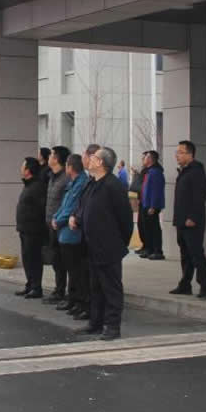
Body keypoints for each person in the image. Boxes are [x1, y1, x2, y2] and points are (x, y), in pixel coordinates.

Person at [70, 146, 132, 340]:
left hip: (109, 247)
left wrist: (119, 244)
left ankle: (112, 326)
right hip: (91, 245)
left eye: (93, 157)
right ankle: (95, 323)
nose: (89, 159)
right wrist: (76, 218)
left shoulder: (113, 186)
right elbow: (84, 207)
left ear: (101, 162)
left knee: (111, 288)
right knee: (95, 287)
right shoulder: (92, 183)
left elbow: (125, 220)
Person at [52, 153, 90, 320]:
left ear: (70, 167)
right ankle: (73, 300)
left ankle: (79, 302)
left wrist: (59, 220)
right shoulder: (73, 183)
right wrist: (56, 217)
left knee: (77, 271)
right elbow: (64, 205)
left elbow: (72, 207)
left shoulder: (81, 183)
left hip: (72, 233)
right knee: (71, 270)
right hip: (64, 232)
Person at [171, 139, 206, 298]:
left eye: (180, 152)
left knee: (196, 253)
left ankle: (205, 286)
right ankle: (185, 284)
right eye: (177, 152)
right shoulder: (184, 171)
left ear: (190, 154)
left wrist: (193, 217)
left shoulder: (196, 172)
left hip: (192, 221)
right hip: (181, 220)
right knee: (185, 254)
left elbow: (199, 197)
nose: (177, 155)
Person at [14, 156, 48, 299]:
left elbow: (41, 209)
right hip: (24, 229)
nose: (21, 169)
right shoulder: (28, 185)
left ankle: (36, 287)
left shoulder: (38, 186)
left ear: (28, 170)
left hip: (33, 230)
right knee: (27, 258)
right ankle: (30, 284)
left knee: (34, 259)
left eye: (23, 166)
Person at [43, 146, 71, 304]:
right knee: (56, 260)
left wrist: (59, 220)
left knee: (64, 261)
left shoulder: (66, 179)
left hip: (61, 226)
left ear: (57, 159)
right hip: (50, 225)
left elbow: (67, 205)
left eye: (51, 155)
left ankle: (64, 292)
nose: (49, 157)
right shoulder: (52, 176)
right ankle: (59, 289)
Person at [137, 150, 165, 260]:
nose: (143, 159)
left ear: (150, 159)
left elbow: (156, 191)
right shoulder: (149, 171)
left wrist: (153, 206)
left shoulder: (156, 172)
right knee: (147, 228)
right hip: (145, 204)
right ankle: (149, 249)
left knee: (154, 229)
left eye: (145, 157)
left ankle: (157, 251)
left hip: (151, 205)